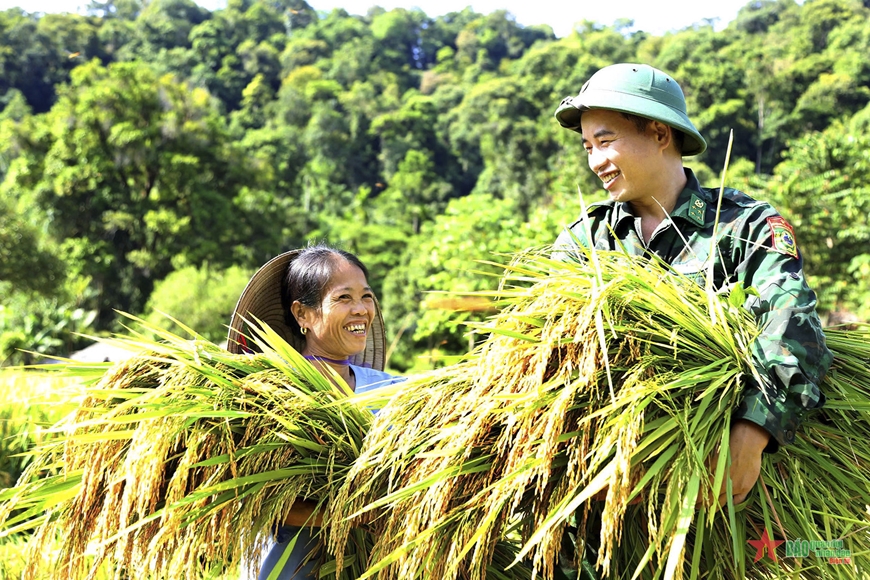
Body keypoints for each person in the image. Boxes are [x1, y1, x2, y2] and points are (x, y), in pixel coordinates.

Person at [551, 63, 833, 506]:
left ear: (660, 134)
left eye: (605, 142)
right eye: (588, 146)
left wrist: (754, 429)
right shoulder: (585, 241)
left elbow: (790, 320)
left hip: (729, 487)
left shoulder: (745, 225)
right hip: (604, 488)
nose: (595, 162)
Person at [227, 244, 405, 579]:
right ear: (303, 314)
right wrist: (361, 514)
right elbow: (260, 501)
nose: (361, 310)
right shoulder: (272, 395)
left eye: (366, 297)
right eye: (343, 298)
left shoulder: (396, 392)